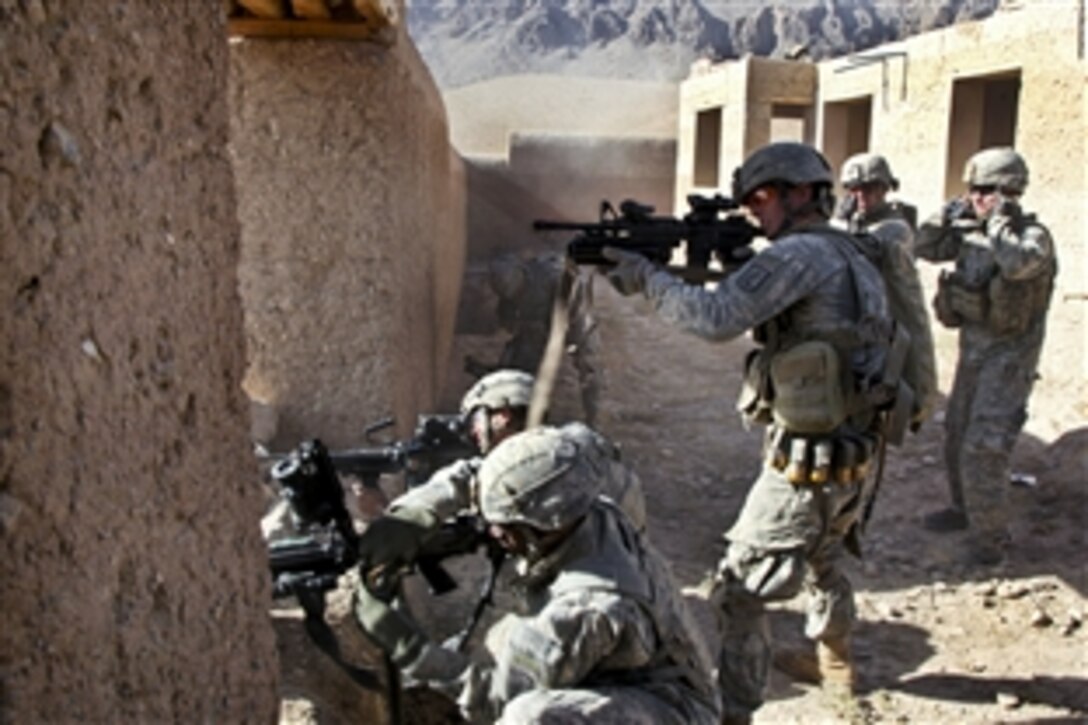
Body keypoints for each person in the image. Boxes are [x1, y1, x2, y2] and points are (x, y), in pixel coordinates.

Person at [601, 141, 898, 722]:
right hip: (854, 447)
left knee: (738, 591)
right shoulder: (848, 249)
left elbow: (714, 319)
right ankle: (838, 668)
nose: (753, 211)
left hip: (810, 460)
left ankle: (735, 713)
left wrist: (647, 280)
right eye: (747, 203)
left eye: (763, 197)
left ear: (802, 194)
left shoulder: (798, 256)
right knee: (824, 561)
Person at [354, 426, 721, 723]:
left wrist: (406, 646)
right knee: (485, 644)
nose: (491, 531)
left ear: (542, 526)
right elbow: (488, 475)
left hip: (672, 708)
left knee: (528, 716)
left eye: (503, 526)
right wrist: (413, 517)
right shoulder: (573, 481)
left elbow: (492, 696)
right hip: (622, 668)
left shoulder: (591, 606)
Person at [355, 368, 646, 587]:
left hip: (599, 592)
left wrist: (392, 522)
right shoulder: (569, 446)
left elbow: (467, 482)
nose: (472, 435)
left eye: (474, 421)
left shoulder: (550, 467)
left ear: (502, 416)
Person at [914, 147, 1057, 566]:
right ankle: (965, 510)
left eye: (985, 191)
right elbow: (924, 244)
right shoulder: (970, 233)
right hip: (973, 354)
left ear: (1010, 192)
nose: (976, 198)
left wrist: (998, 222)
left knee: (985, 446)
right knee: (956, 432)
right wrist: (949, 212)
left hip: (1009, 360)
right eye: (972, 190)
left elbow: (1015, 265)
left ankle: (990, 540)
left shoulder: (1033, 238)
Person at [835, 152, 939, 431]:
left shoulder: (895, 229)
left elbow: (861, 250)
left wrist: (837, 228)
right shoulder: (855, 223)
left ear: (884, 189)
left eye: (868, 189)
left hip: (887, 328)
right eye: (852, 190)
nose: (859, 197)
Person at [467, 252, 603, 426]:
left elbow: (575, 296)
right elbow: (509, 325)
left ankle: (594, 416)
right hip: (542, 323)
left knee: (589, 365)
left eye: (513, 290)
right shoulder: (511, 292)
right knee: (524, 353)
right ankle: (506, 385)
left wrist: (560, 329)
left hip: (575, 314)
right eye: (506, 292)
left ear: (522, 273)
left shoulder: (551, 276)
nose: (511, 294)